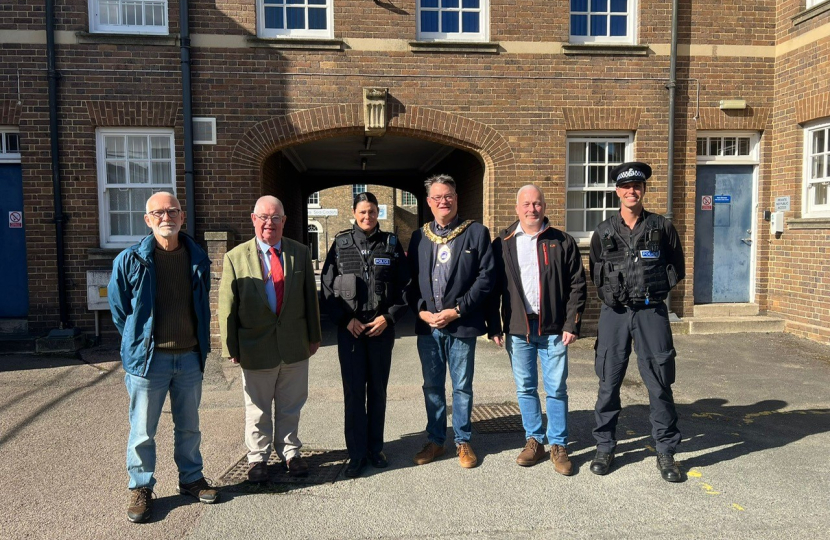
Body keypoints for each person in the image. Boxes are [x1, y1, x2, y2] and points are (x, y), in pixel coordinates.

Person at [108, 191, 218, 524]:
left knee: (189, 426)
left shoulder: (197, 257)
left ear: (182, 217)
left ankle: (191, 478)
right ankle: (141, 487)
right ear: (147, 220)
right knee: (142, 430)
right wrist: (138, 342)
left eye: (172, 211)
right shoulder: (130, 260)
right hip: (148, 361)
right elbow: (120, 310)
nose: (165, 217)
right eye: (158, 212)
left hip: (188, 358)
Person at [588, 162, 685, 483]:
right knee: (609, 382)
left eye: (637, 186)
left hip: (651, 312)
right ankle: (604, 446)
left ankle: (666, 450)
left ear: (643, 190)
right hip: (614, 315)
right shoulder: (603, 231)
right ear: (617, 191)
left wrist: (654, 288)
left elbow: (676, 267)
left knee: (659, 383)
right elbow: (596, 272)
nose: (632, 191)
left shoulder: (661, 227)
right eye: (626, 186)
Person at [218, 195, 322, 483]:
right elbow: (227, 305)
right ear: (253, 220)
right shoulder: (235, 257)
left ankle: (290, 452)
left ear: (284, 221)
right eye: (263, 217)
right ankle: (258, 458)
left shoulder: (299, 253)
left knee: (291, 404)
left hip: (294, 344)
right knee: (258, 407)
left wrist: (314, 336)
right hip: (255, 346)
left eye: (276, 218)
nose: (269, 223)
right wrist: (230, 346)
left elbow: (309, 300)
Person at [488, 185, 587, 475]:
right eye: (527, 204)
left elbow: (577, 286)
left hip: (554, 328)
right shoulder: (503, 243)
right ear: (517, 209)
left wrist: (572, 323)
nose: (532, 209)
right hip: (520, 329)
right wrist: (494, 324)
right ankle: (534, 440)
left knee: (556, 389)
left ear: (544, 207)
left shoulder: (562, 241)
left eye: (537, 204)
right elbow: (493, 288)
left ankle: (558, 444)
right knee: (525, 388)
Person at [406, 174, 495, 469]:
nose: (443, 201)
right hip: (428, 326)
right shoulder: (419, 236)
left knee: (462, 387)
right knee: (432, 386)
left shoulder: (476, 233)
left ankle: (462, 440)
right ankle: (435, 440)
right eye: (437, 197)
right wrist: (421, 311)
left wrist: (456, 311)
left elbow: (486, 279)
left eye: (448, 196)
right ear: (429, 202)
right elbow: (409, 282)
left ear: (456, 199)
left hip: (460, 324)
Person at [320, 192, 410, 478]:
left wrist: (389, 316)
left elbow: (405, 288)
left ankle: (375, 449)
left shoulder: (392, 246)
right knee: (355, 393)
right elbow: (326, 288)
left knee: (378, 393)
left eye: (372, 211)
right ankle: (356, 455)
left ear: (378, 213)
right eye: (362, 212)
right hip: (352, 331)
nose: (367, 216)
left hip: (381, 329)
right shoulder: (340, 244)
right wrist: (346, 320)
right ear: (354, 213)